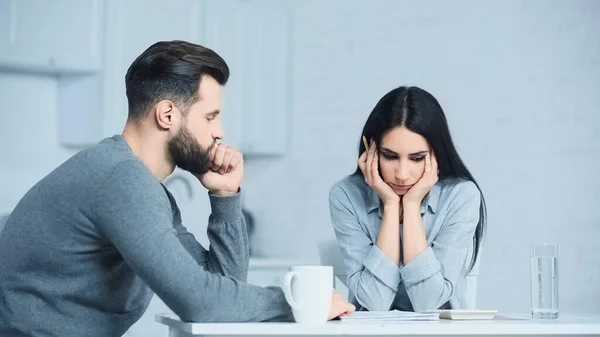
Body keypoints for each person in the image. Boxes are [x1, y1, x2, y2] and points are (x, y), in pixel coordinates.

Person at [0, 40, 354, 337]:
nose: (220, 132)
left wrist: (225, 196)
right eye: (210, 116)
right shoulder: (122, 180)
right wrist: (300, 303)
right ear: (167, 115)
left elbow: (221, 289)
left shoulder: (143, 186)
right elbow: (200, 302)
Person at [328, 86, 487, 313]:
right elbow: (375, 304)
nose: (402, 174)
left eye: (417, 158)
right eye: (390, 156)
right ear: (370, 150)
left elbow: (429, 305)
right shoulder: (345, 196)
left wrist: (411, 206)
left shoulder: (461, 196)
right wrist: (391, 207)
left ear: (436, 154)